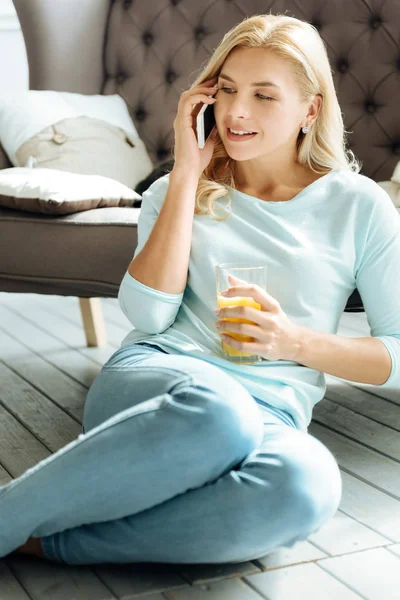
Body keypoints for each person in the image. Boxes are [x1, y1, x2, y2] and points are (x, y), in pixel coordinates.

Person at [5, 13, 399, 565]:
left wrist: (294, 343)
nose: (237, 112)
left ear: (310, 110)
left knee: (308, 485)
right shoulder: (175, 188)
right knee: (220, 414)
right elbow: (146, 313)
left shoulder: (359, 207)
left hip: (272, 413)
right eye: (229, 90)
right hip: (161, 380)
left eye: (264, 96)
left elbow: (398, 350)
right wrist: (188, 175)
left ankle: (50, 544)